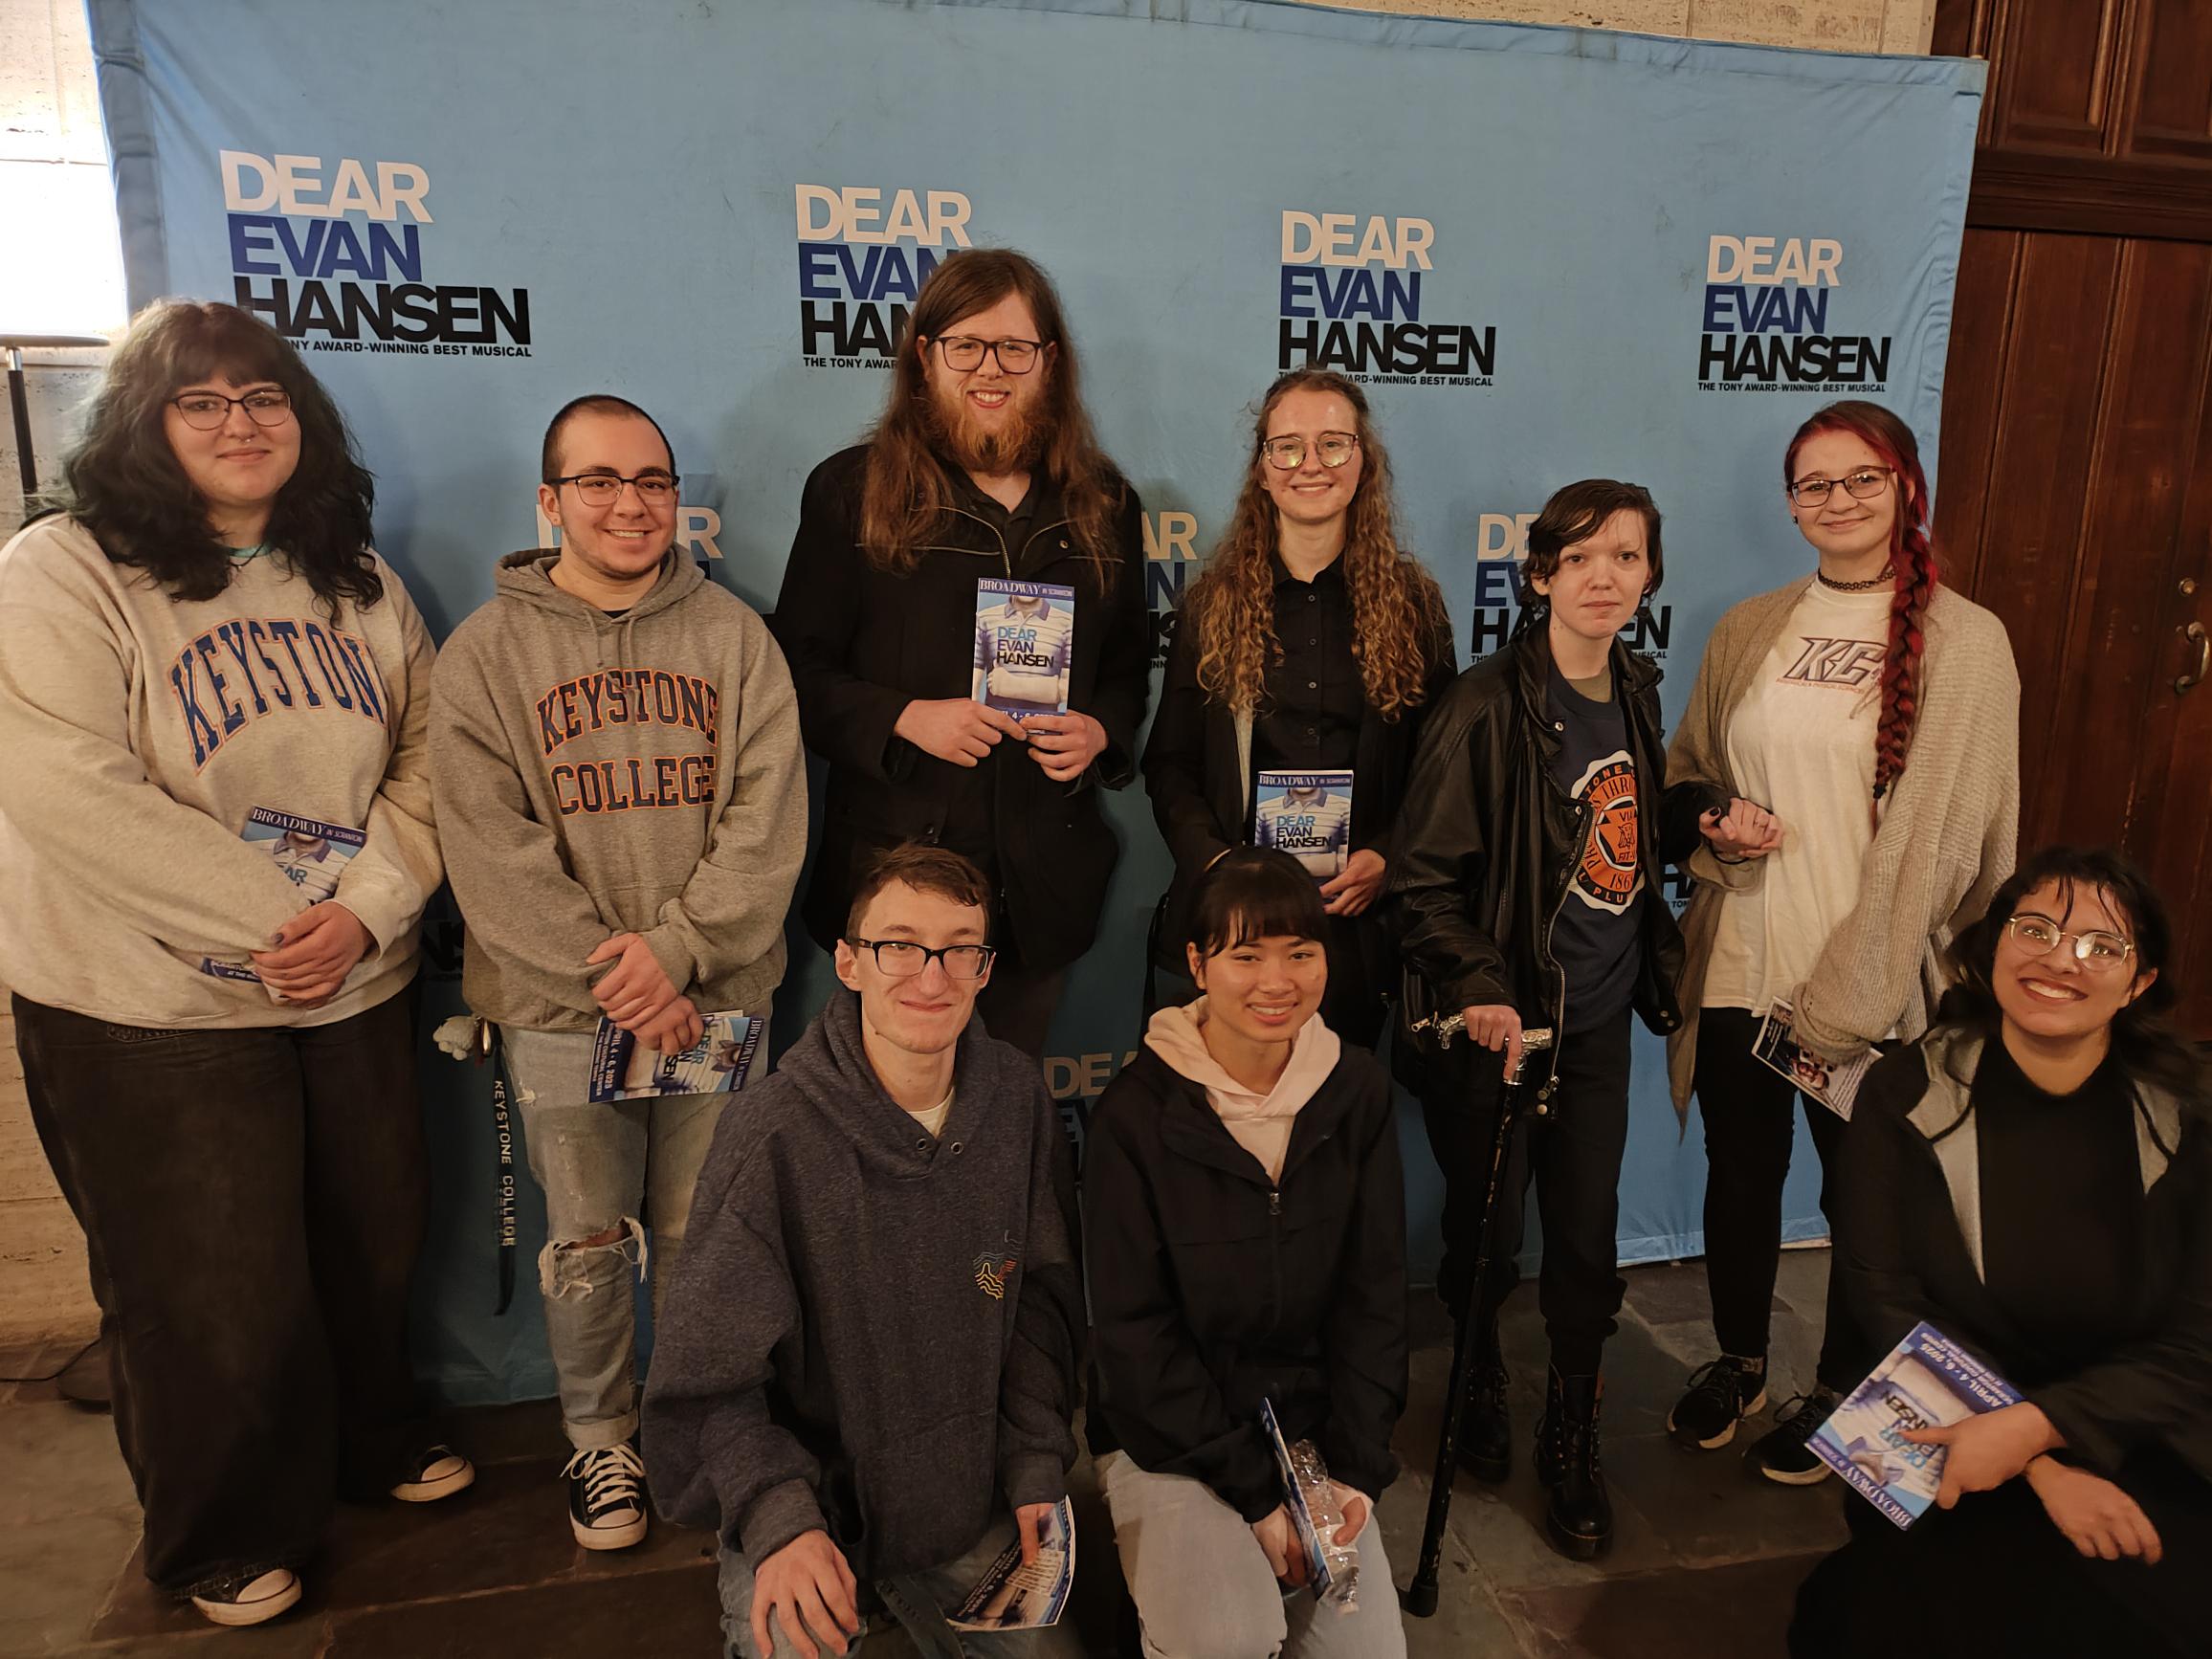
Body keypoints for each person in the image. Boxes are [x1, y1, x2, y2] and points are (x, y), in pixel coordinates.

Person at [0, 299, 467, 1626]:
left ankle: (370, 1439)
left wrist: (366, 911)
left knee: (369, 1242)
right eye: (198, 401)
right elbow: (69, 788)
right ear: (140, 425)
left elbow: (431, 758)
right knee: (206, 1281)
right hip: (148, 1004)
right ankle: (223, 1526)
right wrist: (279, 919)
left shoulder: (355, 577)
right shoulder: (61, 569)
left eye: (262, 397)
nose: (238, 423)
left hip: (352, 974)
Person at [429, 394, 805, 1552]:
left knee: (705, 1234)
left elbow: (766, 821)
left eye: (650, 481)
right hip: (558, 1010)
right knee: (588, 1243)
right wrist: (619, 978)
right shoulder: (485, 654)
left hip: (715, 1001)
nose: (629, 504)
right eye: (598, 481)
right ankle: (600, 1440)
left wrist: (677, 955)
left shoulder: (735, 638)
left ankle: (701, 1423)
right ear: (551, 502)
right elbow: (488, 851)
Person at [1661, 400, 2020, 1482]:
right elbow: (1686, 772)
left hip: (1867, 987)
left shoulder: (1966, 641)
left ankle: (1839, 1388)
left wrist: (1849, 993)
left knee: (1863, 1200)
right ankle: (1738, 1361)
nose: (1837, 500)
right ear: (1789, 504)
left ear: (1906, 487)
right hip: (1741, 960)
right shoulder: (1749, 625)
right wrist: (1714, 816)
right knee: (1739, 1171)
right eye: (1813, 484)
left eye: (1861, 478)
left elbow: (1950, 843)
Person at [643, 844, 1084, 1659]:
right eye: (899, 946)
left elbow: (1037, 1304)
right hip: (804, 1502)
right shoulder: (770, 1134)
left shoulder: (1017, 1099)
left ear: (986, 970)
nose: (931, 977)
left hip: (959, 1499)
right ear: (848, 963)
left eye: (959, 949)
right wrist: (779, 1517)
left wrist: (1032, 1460)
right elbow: (706, 1384)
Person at [1791, 847, 2210, 1659]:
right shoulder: (1907, 1091)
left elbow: (2198, 1341)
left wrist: (2042, 1429)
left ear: (2141, 981)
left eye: (2101, 945)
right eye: (2036, 929)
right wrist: (2038, 1466)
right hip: (1947, 1421)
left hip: (2136, 1431)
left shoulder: (2184, 1116)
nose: (2061, 959)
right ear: (1994, 947)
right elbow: (1882, 1300)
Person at [1388, 478, 1690, 1559]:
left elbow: (1626, 839)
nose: (1604, 577)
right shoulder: (1481, 707)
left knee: (1585, 1239)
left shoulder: (1638, 688)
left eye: (1626, 556)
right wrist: (1480, 986)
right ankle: (1476, 1376)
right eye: (1580, 557)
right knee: (1485, 1234)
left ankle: (1573, 1425)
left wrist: (1704, 819)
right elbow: (1420, 882)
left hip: (1596, 1022)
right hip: (1503, 1028)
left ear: (1649, 575)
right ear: (1539, 576)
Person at [773, 248, 1150, 1058]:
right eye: (966, 346)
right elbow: (794, 672)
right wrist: (904, 717)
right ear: (924, 356)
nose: (991, 369)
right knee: (883, 1109)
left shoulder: (1106, 503)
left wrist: (1101, 733)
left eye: (1014, 347)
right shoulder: (852, 491)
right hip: (896, 880)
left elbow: (1126, 663)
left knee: (1004, 1106)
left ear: (1050, 361)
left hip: (1038, 885)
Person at [1086, 846, 1409, 1658]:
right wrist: (1260, 1498)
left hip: (1309, 1435)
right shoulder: (1134, 1115)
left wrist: (1355, 1471)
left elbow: (1375, 1299)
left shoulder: (1357, 1090)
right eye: (1247, 955)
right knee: (1229, 1639)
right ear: (1197, 964)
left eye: (1301, 953)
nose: (1278, 982)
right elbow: (1132, 1339)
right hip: (1172, 1441)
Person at [1141, 367, 1454, 1049]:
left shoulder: (1415, 609)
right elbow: (1169, 765)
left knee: (1335, 1107)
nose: (1310, 464)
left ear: (1364, 462)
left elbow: (1442, 776)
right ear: (1262, 469)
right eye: (1287, 447)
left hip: (1354, 929)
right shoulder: (1212, 604)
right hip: (1234, 928)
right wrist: (1218, 866)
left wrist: (1388, 855)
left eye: (1333, 444)